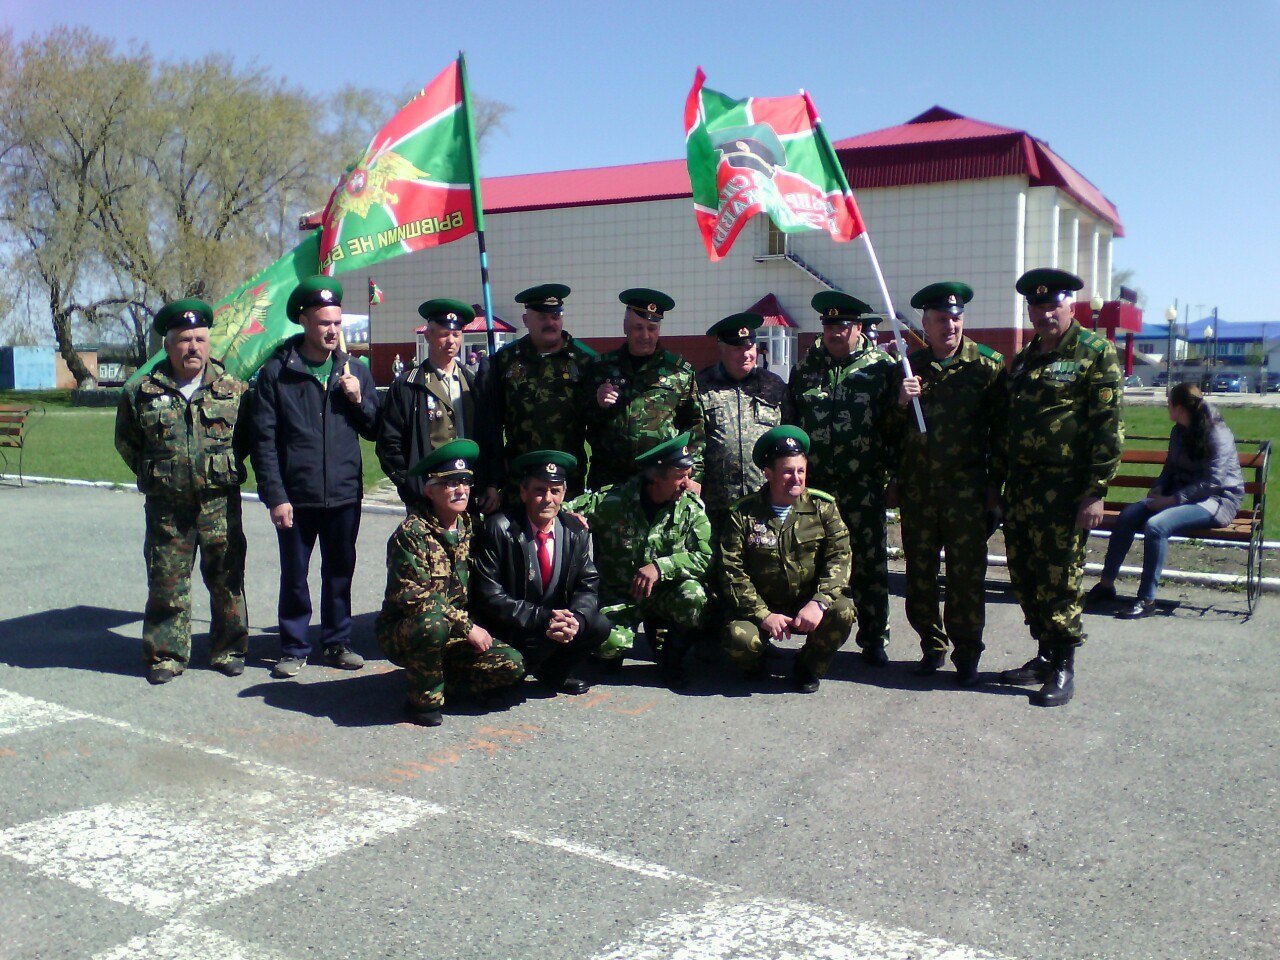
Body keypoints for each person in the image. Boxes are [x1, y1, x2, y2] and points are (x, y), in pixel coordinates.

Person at [997, 268, 1123, 707]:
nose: (1045, 312)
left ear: (1071, 305)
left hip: (1065, 489)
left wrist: (1096, 490)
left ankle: (1065, 663)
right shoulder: (1028, 355)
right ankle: (1045, 654)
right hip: (1022, 488)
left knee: (1060, 578)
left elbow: (1107, 429)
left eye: (1053, 304)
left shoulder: (1095, 352)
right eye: (1037, 305)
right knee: (1026, 576)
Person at [114, 299, 251, 684]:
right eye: (183, 340)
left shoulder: (232, 388)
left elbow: (248, 438)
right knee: (166, 580)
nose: (193, 347)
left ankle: (228, 648)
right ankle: (166, 655)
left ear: (209, 343)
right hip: (167, 506)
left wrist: (220, 469)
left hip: (219, 503)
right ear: (167, 344)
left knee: (226, 577)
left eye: (200, 339)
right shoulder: (140, 391)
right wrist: (157, 474)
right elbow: (127, 441)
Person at [251, 276, 380, 679]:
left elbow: (375, 427)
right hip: (297, 494)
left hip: (343, 493)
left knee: (340, 571)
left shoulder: (353, 369)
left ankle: (337, 641)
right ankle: (293, 646)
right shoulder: (278, 372)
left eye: (337, 323)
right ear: (304, 321)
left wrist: (358, 399)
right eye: (324, 322)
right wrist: (276, 496)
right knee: (295, 574)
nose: (332, 331)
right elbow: (264, 441)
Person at [889, 282, 1006, 684]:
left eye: (955, 318)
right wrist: (901, 403)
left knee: (966, 579)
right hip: (920, 495)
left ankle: (968, 654)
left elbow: (1000, 435)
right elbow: (887, 433)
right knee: (919, 578)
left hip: (966, 496)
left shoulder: (987, 367)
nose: (950, 326)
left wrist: (995, 490)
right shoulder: (908, 368)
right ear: (925, 323)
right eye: (941, 319)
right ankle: (931, 646)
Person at [375, 440, 526, 726]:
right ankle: (422, 701)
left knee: (512, 664)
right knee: (433, 623)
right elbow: (413, 596)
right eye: (450, 483)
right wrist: (468, 627)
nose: (461, 490)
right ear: (429, 490)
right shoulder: (411, 534)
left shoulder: (471, 526)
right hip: (408, 628)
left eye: (466, 482)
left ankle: (439, 682)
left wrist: (566, 518)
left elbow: (517, 530)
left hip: (455, 629)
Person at [787, 290, 898, 667]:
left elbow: (894, 428)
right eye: (829, 325)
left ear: (858, 327)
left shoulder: (882, 368)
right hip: (817, 489)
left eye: (843, 325)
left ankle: (874, 636)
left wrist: (892, 475)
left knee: (869, 563)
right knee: (817, 562)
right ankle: (818, 637)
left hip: (863, 485)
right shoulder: (805, 369)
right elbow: (793, 424)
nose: (835, 332)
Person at [567, 433, 712, 688]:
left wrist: (660, 567)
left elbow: (705, 557)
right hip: (620, 596)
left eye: (689, 475)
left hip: (663, 593)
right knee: (607, 646)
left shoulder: (690, 507)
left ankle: (672, 660)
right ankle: (614, 650)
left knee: (694, 595)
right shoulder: (614, 501)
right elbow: (559, 507)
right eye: (681, 476)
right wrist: (569, 518)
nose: (687, 484)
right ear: (655, 476)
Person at [1086, 382, 1243, 619]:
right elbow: (1170, 467)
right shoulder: (1178, 430)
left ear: (1178, 407)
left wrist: (1171, 500)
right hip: (1178, 495)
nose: (1166, 408)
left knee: (1156, 526)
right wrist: (1158, 490)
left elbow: (1214, 481)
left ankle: (1146, 599)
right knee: (1128, 516)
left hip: (1215, 501)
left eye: (1168, 404)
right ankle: (1106, 586)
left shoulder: (1216, 432)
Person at [719, 426, 856, 693]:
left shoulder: (823, 508)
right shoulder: (743, 514)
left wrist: (819, 602)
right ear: (768, 474)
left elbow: (840, 557)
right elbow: (731, 570)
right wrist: (762, 614)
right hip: (761, 605)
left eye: (801, 471)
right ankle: (756, 661)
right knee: (740, 639)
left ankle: (808, 665)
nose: (796, 478)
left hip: (806, 602)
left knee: (843, 611)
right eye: (787, 471)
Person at [471, 450, 609, 695]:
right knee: (501, 692)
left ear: (563, 494)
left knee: (599, 624)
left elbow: (588, 583)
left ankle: (553, 673)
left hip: (553, 625)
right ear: (523, 493)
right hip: (512, 627)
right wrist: (541, 617)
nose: (548, 499)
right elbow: (488, 595)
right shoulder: (498, 528)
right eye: (539, 490)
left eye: (555, 491)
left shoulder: (575, 531)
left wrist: (575, 619)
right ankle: (509, 673)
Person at [480, 283, 596, 500]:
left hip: (566, 481)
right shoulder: (504, 361)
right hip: (519, 479)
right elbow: (491, 426)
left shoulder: (585, 360)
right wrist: (492, 481)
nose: (551, 322)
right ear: (526, 321)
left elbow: (598, 424)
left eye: (555, 316)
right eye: (542, 317)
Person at [377, 298, 494, 512]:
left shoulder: (472, 383)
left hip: (468, 490)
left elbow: (487, 437)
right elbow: (389, 443)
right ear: (428, 336)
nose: (451, 341)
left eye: (456, 335)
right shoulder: (408, 385)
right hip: (427, 494)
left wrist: (489, 482)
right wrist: (411, 484)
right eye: (444, 334)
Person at [582, 288, 705, 491]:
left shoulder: (678, 372)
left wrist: (694, 475)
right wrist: (597, 403)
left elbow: (695, 427)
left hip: (662, 482)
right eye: (638, 327)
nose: (645, 335)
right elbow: (581, 419)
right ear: (625, 327)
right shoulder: (600, 368)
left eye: (651, 328)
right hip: (610, 482)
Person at [695, 312, 790, 526]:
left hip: (764, 501)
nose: (746, 355)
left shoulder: (774, 387)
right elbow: (694, 442)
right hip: (717, 506)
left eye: (750, 347)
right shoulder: (701, 386)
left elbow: (788, 439)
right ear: (722, 349)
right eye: (737, 349)